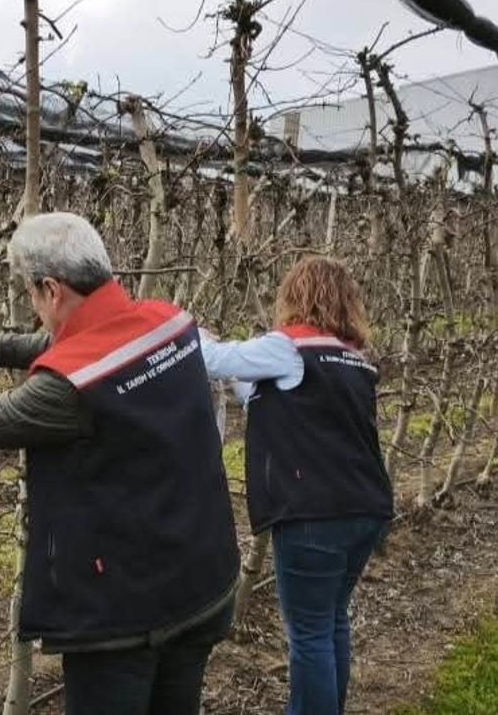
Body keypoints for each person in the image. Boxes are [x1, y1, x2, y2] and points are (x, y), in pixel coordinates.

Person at [0, 212, 240, 715]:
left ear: (50, 289)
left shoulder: (68, 389)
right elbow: (74, 341)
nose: (32, 303)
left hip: (125, 613)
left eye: (30, 292)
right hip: (203, 578)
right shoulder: (170, 324)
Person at [199, 256, 393, 715]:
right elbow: (272, 396)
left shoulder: (288, 347)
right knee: (330, 622)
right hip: (365, 508)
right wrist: (236, 378)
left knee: (308, 634)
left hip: (313, 515)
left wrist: (185, 330)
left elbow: (213, 359)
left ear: (295, 297)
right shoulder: (355, 359)